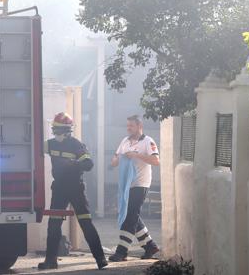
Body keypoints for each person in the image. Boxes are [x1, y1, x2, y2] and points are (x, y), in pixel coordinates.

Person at [38, 112, 108, 270]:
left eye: (59, 130)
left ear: (68, 130)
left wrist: (75, 164)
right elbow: (34, 147)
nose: (57, 133)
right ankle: (51, 261)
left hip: (76, 188)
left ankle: (100, 259)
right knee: (54, 224)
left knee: (85, 222)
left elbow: (89, 164)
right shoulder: (50, 144)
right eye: (54, 130)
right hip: (59, 188)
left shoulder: (77, 145)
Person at [109, 115, 161, 261]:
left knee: (129, 216)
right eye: (127, 126)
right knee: (133, 215)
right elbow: (114, 160)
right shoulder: (124, 141)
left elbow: (156, 160)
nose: (128, 128)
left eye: (131, 126)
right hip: (127, 185)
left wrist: (136, 155)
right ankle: (150, 246)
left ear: (139, 126)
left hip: (141, 184)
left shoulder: (147, 141)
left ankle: (121, 251)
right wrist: (117, 160)